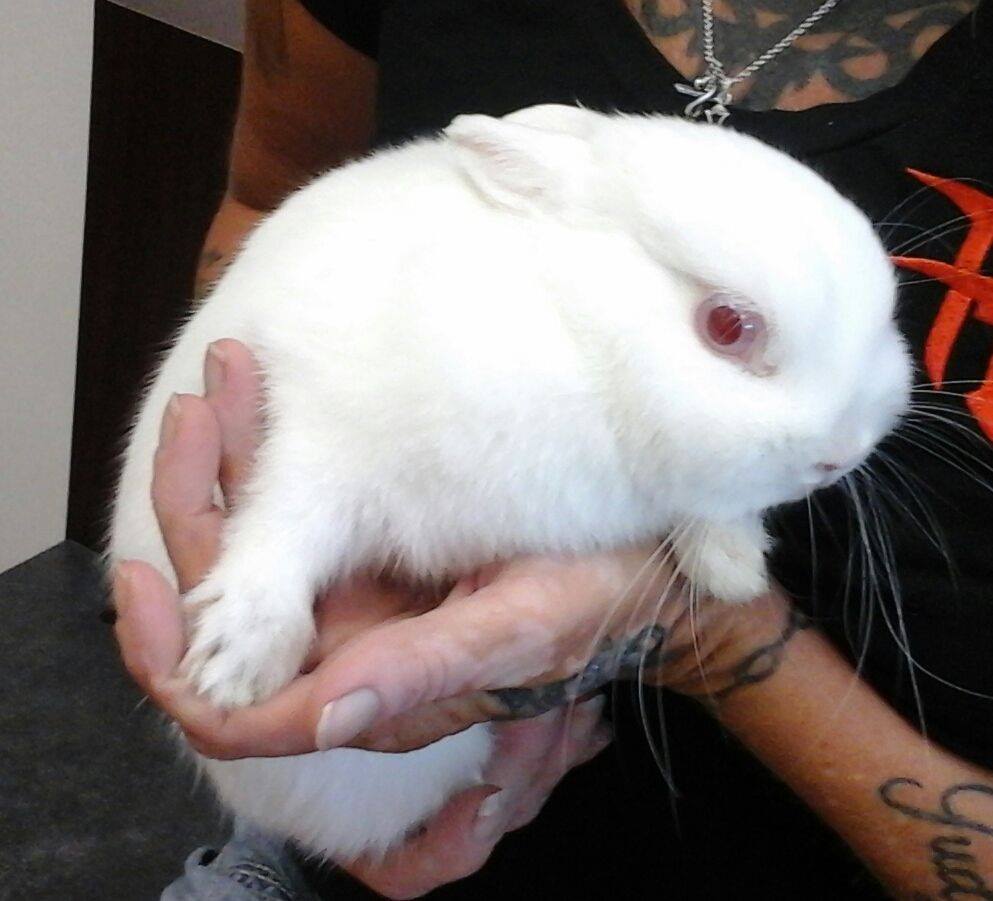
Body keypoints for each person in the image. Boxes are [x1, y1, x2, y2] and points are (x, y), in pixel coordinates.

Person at [112, 1, 993, 897]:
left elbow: (706, 579)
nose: (841, 451)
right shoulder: (468, 321)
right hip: (333, 820)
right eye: (729, 329)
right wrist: (268, 560)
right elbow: (275, 218)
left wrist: (702, 631)